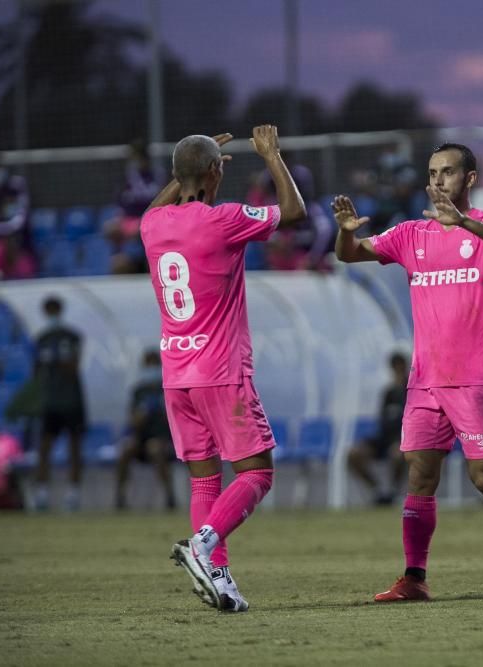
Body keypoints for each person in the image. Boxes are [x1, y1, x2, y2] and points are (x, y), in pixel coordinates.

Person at [332, 142, 483, 601]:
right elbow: (349, 255)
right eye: (432, 173)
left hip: (476, 379)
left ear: (469, 179)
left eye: (447, 172)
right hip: (425, 382)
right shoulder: (411, 234)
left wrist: (463, 222)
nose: (437, 181)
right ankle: (414, 578)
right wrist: (345, 233)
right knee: (420, 478)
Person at [141, 126, 305, 612]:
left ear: (174, 177)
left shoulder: (153, 225)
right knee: (257, 473)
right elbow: (294, 212)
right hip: (221, 372)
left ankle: (218, 576)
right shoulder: (224, 220)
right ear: (216, 172)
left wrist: (193, 165)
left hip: (176, 376)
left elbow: (159, 203)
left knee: (204, 480)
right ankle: (203, 545)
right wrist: (272, 155)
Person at [31, 296, 86, 511]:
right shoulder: (40, 339)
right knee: (44, 447)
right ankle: (42, 494)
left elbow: (73, 366)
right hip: (50, 400)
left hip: (72, 399)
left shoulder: (71, 336)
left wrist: (58, 357)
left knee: (75, 447)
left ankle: (73, 494)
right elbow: (36, 372)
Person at [115, 349, 176, 511]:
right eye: (149, 365)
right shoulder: (139, 391)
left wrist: (164, 409)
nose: (152, 369)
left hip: (164, 439)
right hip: (141, 438)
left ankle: (170, 497)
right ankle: (120, 497)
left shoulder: (169, 388)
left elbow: (177, 421)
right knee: (126, 448)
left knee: (155, 447)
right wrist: (142, 414)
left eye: (154, 365)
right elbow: (133, 421)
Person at [347, 351, 409, 506]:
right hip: (383, 437)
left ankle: (392, 491)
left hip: (402, 438)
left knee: (397, 453)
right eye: (394, 368)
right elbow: (382, 419)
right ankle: (378, 490)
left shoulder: (412, 390)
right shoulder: (388, 392)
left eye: (400, 367)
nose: (397, 371)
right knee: (353, 454)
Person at [105, 139, 165, 274]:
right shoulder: (126, 179)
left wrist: (142, 224)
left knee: (142, 230)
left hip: (153, 223)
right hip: (130, 224)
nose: (136, 161)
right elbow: (120, 209)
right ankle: (120, 255)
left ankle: (152, 259)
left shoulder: (158, 177)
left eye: (138, 157)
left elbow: (167, 206)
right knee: (110, 229)